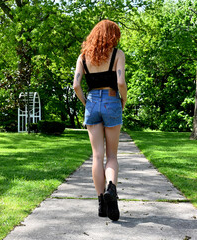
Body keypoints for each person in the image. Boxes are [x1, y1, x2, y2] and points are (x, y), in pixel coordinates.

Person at [73, 19, 127, 221]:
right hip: (112, 101)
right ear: (112, 36)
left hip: (92, 103)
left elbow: (76, 86)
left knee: (97, 156)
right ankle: (111, 190)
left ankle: (101, 204)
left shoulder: (83, 57)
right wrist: (123, 99)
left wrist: (87, 102)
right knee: (111, 156)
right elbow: (120, 82)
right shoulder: (117, 54)